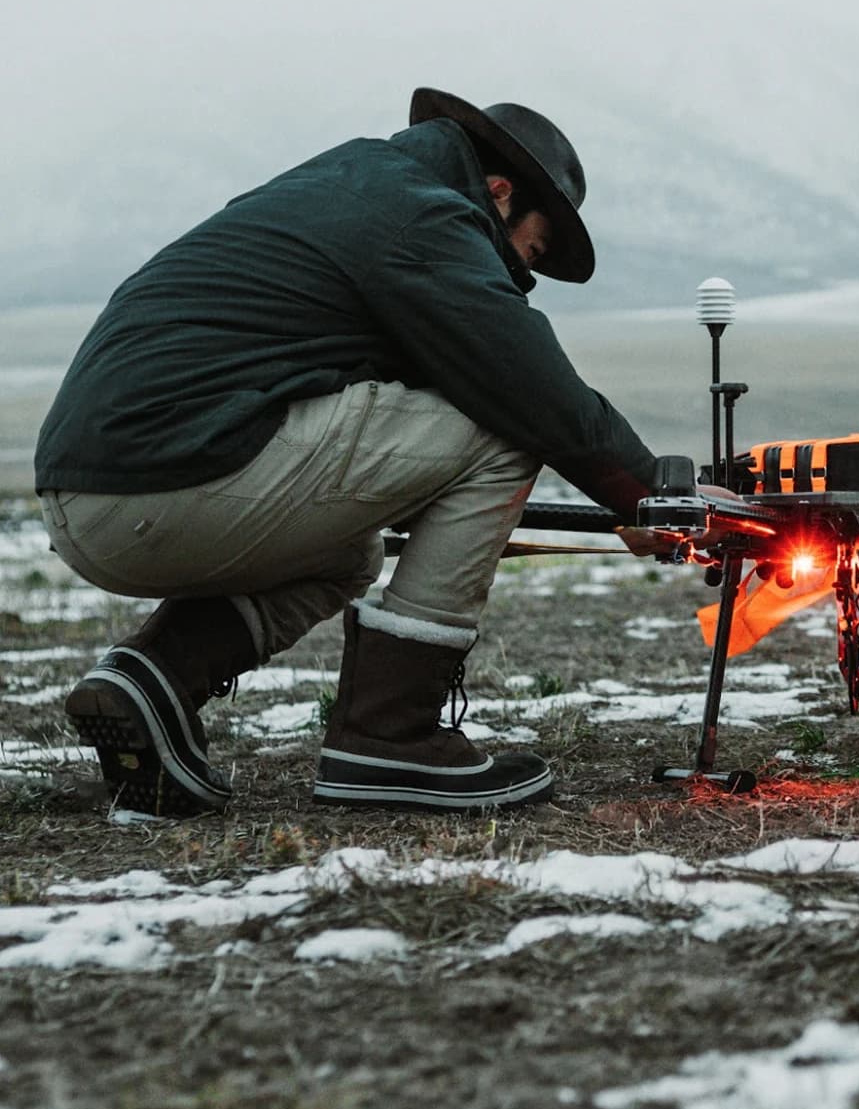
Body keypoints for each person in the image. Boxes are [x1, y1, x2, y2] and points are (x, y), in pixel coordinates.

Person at [35, 88, 663, 816]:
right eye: (531, 252)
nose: (520, 276)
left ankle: (152, 679)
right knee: (503, 428)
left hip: (92, 495)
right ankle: (390, 734)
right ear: (499, 193)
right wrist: (654, 497)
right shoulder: (423, 216)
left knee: (348, 555)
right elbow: (533, 391)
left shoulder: (352, 187)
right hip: (168, 473)